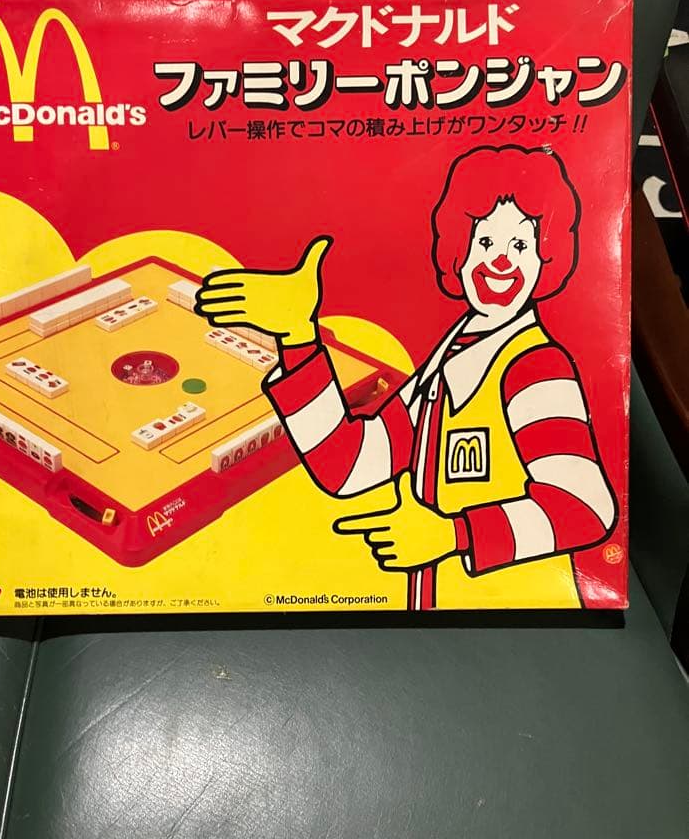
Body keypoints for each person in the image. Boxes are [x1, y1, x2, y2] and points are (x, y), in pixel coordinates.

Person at [195, 145, 617, 609]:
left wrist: (454, 534)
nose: (501, 261)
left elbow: (584, 506)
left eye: (520, 246)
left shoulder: (536, 367)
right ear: (458, 250)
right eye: (485, 243)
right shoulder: (445, 364)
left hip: (516, 621)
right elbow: (351, 464)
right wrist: (299, 338)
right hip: (434, 618)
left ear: (546, 257)